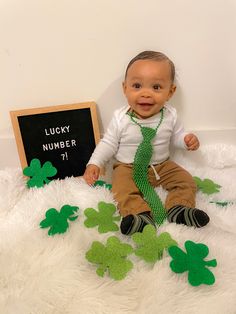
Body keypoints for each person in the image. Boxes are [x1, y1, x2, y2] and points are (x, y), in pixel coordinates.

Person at [83, 50, 210, 235]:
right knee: (121, 188)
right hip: (127, 167)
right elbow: (108, 143)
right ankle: (137, 215)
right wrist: (95, 163)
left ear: (170, 91)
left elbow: (176, 136)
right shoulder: (121, 118)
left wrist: (186, 140)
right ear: (125, 88)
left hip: (162, 166)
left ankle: (179, 208)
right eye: (137, 85)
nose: (146, 94)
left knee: (186, 181)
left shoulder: (170, 115)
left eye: (156, 87)